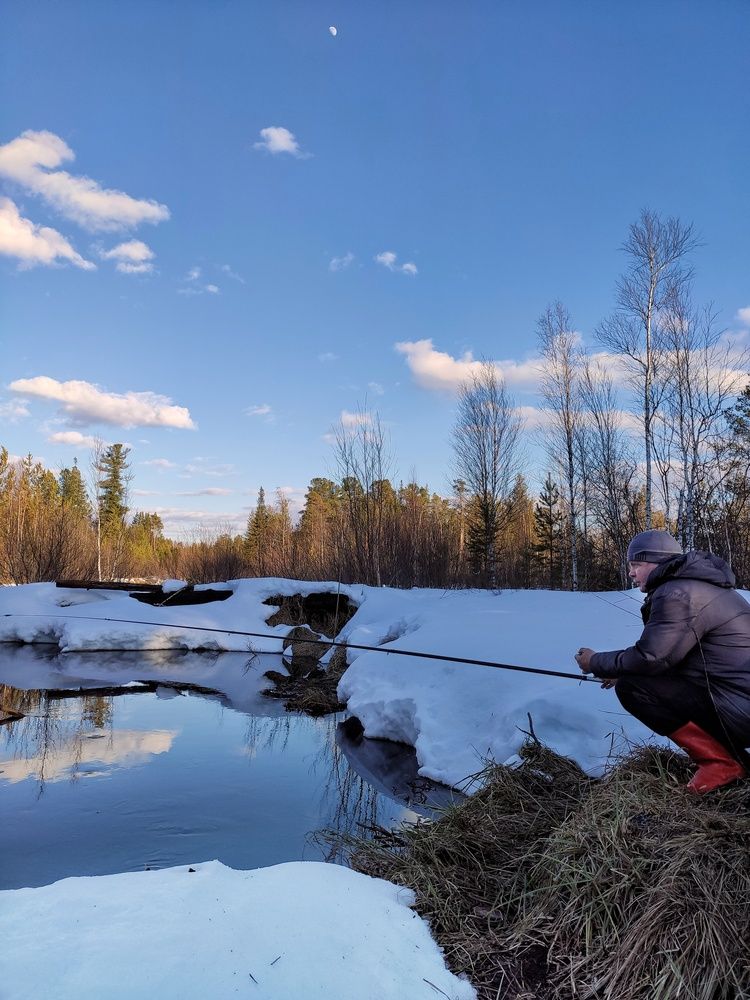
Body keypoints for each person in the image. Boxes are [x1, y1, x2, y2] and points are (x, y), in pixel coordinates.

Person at [575, 529, 750, 793]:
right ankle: (733, 760)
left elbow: (652, 658)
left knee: (633, 688)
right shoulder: (695, 587)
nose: (632, 573)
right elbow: (674, 657)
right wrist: (622, 670)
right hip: (737, 698)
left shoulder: (678, 593)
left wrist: (595, 662)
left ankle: (721, 763)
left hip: (738, 707)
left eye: (637, 564)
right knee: (633, 680)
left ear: (658, 562)